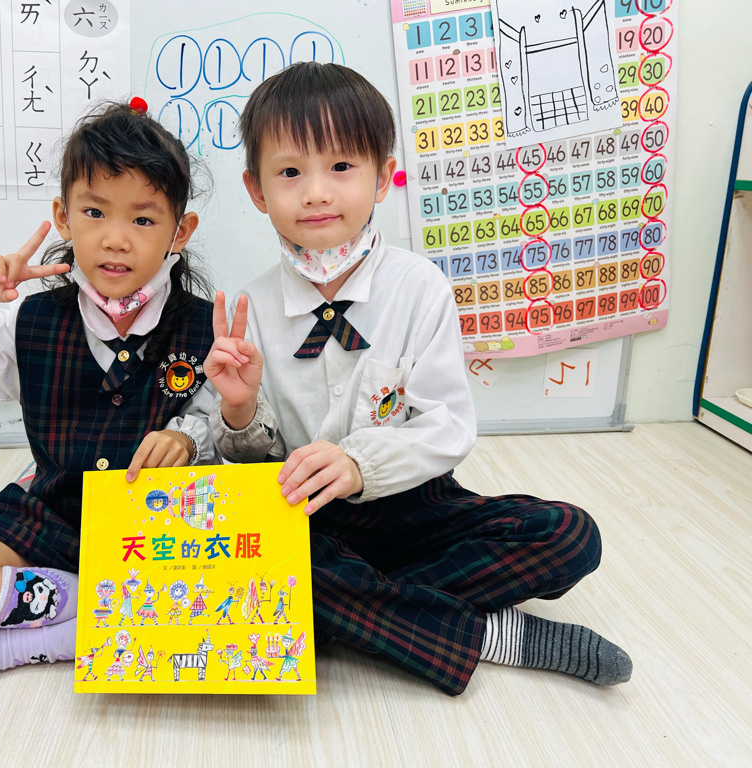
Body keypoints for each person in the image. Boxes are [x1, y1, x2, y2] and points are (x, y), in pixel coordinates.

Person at [204, 62, 632, 696]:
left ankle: (354, 611)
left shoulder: (420, 287)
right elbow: (246, 464)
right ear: (257, 189)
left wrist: (360, 464)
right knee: (260, 558)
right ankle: (487, 635)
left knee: (570, 536)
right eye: (290, 172)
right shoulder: (250, 308)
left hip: (411, 505)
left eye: (341, 166)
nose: (316, 192)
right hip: (308, 523)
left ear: (382, 176)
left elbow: (447, 426)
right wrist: (239, 412)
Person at [0, 100, 218, 704]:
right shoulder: (30, 318)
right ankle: (109, 610)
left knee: (233, 583)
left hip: (155, 529)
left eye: (143, 219)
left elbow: (221, 419)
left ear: (180, 232)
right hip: (53, 511)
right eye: (94, 212)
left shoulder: (205, 325)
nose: (115, 238)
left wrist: (187, 437)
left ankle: (16, 645)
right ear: (62, 217)